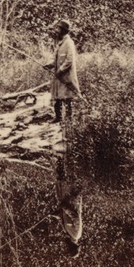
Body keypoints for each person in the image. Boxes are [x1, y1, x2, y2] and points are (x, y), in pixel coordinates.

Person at [43, 19, 83, 254]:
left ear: (64, 31)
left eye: (57, 29)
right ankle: (59, 120)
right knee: (59, 99)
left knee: (67, 99)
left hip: (65, 78)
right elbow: (58, 60)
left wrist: (61, 209)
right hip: (59, 77)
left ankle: (65, 120)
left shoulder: (69, 43)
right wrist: (50, 65)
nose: (55, 31)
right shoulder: (60, 43)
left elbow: (68, 62)